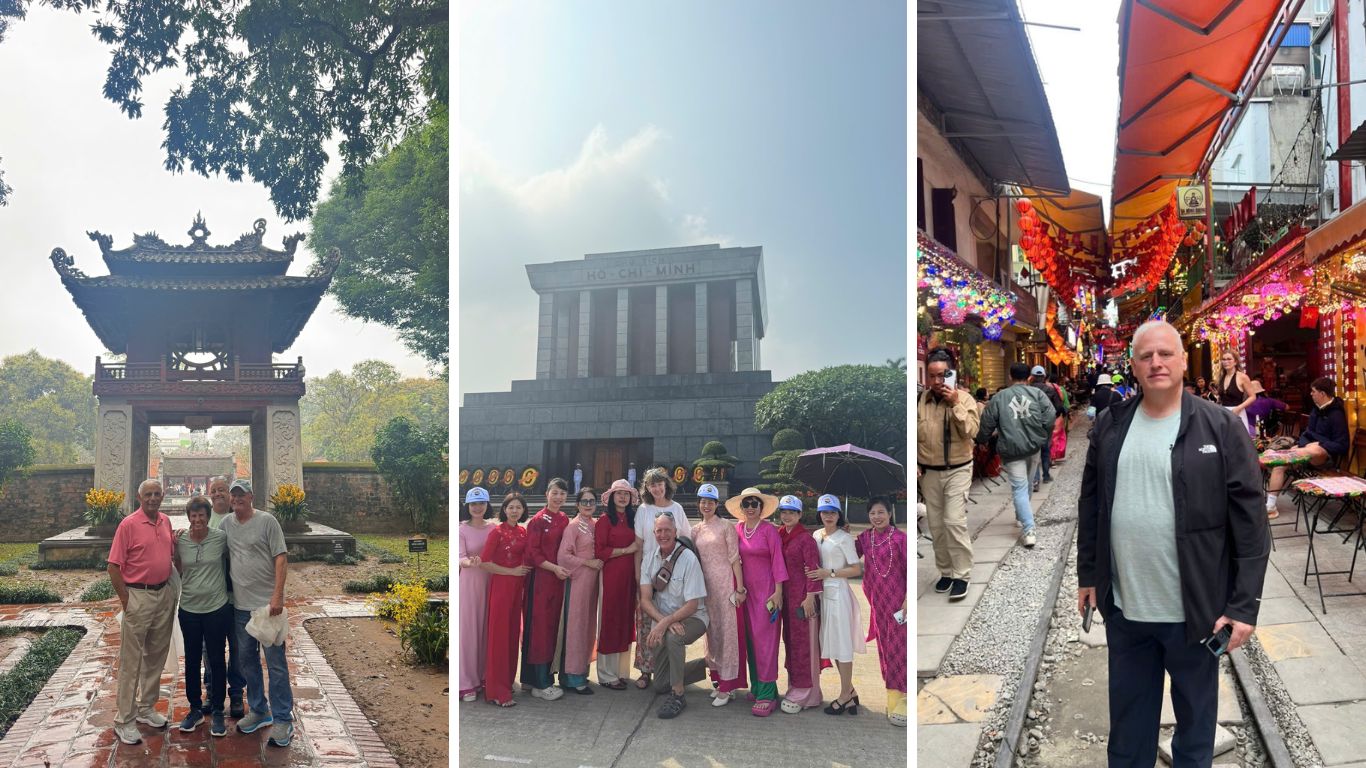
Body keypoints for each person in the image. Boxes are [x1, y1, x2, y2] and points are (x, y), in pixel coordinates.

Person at [1078, 320, 1269, 767]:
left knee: (1196, 728)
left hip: (1196, 613)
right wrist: (1089, 574)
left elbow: (1251, 521)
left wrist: (1244, 606)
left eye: (1166, 354)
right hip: (1126, 609)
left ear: (1183, 361)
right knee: (1128, 730)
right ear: (1134, 366)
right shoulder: (1111, 424)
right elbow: (1091, 505)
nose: (1156, 363)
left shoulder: (1220, 426)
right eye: (1146, 356)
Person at [220, 479, 294, 747]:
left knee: (275, 663)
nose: (237, 499)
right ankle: (259, 710)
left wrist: (278, 595)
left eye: (242, 494)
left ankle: (283, 718)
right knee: (246, 661)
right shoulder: (226, 524)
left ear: (251, 496)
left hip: (267, 605)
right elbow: (214, 550)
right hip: (241, 607)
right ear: (230, 499)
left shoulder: (267, 521)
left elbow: (281, 557)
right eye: (234, 495)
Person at [108, 479, 177, 746]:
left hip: (163, 595)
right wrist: (127, 601)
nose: (152, 498)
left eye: (157, 494)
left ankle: (147, 707)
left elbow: (169, 555)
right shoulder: (128, 525)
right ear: (139, 497)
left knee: (156, 656)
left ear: (163, 496)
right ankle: (124, 719)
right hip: (138, 595)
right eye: (148, 494)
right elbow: (114, 567)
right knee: (131, 660)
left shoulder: (166, 522)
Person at [918, 348, 979, 601]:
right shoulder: (919, 402)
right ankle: (946, 571)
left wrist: (955, 404)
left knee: (954, 522)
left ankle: (962, 574)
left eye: (942, 376)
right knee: (936, 526)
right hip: (929, 473)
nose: (936, 382)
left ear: (952, 375)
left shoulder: (964, 400)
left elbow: (971, 432)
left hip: (958, 469)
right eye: (931, 376)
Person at [639, 512, 710, 719]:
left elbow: (693, 604)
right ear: (654, 533)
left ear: (675, 532)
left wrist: (666, 623)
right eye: (659, 530)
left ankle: (678, 694)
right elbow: (645, 600)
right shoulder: (649, 558)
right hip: (665, 620)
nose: (663, 534)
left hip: (694, 617)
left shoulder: (688, 558)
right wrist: (664, 622)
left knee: (674, 637)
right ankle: (704, 664)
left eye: (667, 530)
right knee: (660, 684)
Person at [173, 496, 232, 736]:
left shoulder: (220, 538)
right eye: (193, 515)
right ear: (188, 517)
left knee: (217, 660)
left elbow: (234, 558)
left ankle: (218, 709)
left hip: (216, 608)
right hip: (189, 609)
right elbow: (177, 566)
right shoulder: (180, 540)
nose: (197, 519)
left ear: (208, 517)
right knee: (192, 660)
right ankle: (195, 708)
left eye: (201, 515)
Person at [977, 362, 1053, 548]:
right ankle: (1027, 524)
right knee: (1026, 483)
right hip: (1033, 446)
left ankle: (1026, 527)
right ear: (1029, 377)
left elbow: (987, 422)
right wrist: (1042, 434)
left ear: (1010, 376)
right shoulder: (1037, 394)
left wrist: (982, 440)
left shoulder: (999, 397)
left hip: (1011, 449)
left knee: (1020, 486)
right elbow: (1050, 415)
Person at [727, 487, 788, 716]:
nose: (751, 508)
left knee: (766, 642)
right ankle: (758, 686)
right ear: (741, 509)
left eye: (755, 504)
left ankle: (767, 693)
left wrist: (779, 591)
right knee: (750, 641)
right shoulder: (738, 530)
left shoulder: (769, 531)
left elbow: (778, 561)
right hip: (746, 593)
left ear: (762, 508)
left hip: (767, 593)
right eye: (747, 504)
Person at [805, 495, 865, 715]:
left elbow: (856, 569)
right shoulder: (816, 535)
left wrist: (828, 572)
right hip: (823, 595)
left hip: (838, 594)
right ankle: (850, 691)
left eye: (832, 512)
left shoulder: (844, 538)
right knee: (833, 644)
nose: (828, 516)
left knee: (843, 645)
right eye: (824, 511)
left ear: (839, 515)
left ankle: (844, 695)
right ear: (819, 513)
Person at [633, 467, 692, 689]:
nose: (656, 488)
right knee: (646, 621)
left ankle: (668, 669)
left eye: (659, 484)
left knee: (670, 619)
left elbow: (686, 539)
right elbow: (639, 547)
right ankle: (645, 670)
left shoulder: (676, 509)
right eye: (651, 485)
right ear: (646, 488)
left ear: (666, 484)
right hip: (649, 571)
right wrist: (637, 576)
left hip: (673, 570)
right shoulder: (644, 510)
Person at [689, 483, 747, 706]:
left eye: (711, 502)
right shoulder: (696, 530)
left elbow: (735, 559)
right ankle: (718, 679)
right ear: (698, 504)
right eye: (703, 501)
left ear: (716, 504)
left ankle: (729, 685)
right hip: (706, 590)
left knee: (727, 635)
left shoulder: (726, 527)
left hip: (726, 586)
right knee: (712, 635)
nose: (706, 505)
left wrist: (739, 589)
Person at [856, 496, 908, 727]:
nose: (876, 517)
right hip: (879, 606)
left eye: (881, 512)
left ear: (890, 513)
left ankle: (904, 699)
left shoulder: (900, 539)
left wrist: (907, 602)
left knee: (901, 651)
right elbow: (844, 551)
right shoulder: (866, 538)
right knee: (885, 652)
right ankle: (892, 698)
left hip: (899, 605)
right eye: (872, 513)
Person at [1265, 377, 1349, 518]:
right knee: (1280, 465)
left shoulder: (1336, 414)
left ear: (1322, 394)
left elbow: (1342, 445)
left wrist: (1320, 443)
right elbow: (1307, 433)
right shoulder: (1316, 410)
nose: (1311, 394)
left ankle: (1283, 454)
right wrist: (1306, 444)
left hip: (1325, 458)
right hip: (1306, 453)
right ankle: (1270, 506)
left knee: (1314, 449)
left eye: (1313, 391)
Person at [480, 492, 533, 706]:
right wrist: (511, 572)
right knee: (499, 638)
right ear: (504, 509)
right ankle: (497, 691)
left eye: (518, 507)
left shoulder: (523, 531)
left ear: (523, 511)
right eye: (511, 507)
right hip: (502, 587)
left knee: (512, 636)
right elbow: (484, 563)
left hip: (517, 589)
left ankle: (507, 681)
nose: (514, 511)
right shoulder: (497, 532)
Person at [521, 477, 571, 700]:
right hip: (541, 580)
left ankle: (534, 679)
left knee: (551, 628)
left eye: (562, 493)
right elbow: (533, 554)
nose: (558, 497)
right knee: (540, 628)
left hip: (557, 581)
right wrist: (554, 568)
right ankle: (540, 684)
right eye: (555, 492)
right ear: (546, 494)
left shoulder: (563, 519)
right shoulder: (538, 521)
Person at [776, 495, 823, 713]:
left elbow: (813, 570)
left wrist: (810, 597)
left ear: (800, 514)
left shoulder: (806, 540)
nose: (787, 516)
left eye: (792, 512)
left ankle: (807, 694)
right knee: (791, 644)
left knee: (805, 646)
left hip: (803, 601)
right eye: (784, 512)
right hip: (786, 600)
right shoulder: (780, 535)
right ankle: (794, 686)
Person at [203, 476, 244, 719]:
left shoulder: (238, 518)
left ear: (230, 494)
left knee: (239, 647)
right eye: (214, 490)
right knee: (211, 648)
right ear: (210, 495)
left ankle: (237, 692)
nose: (218, 494)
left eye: (223, 490)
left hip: (238, 594)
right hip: (212, 596)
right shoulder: (204, 520)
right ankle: (211, 690)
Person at [594, 479, 642, 689]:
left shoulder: (633, 519)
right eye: (618, 494)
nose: (622, 497)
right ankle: (606, 674)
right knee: (610, 620)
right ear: (611, 497)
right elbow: (600, 550)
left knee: (625, 620)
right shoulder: (605, 520)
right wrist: (625, 550)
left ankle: (622, 671)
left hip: (630, 576)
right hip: (611, 575)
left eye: (626, 494)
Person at [556, 487, 604, 694]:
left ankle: (582, 671)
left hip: (592, 583)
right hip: (578, 580)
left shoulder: (594, 524)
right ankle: (572, 677)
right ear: (577, 505)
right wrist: (588, 563)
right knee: (575, 626)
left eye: (591, 501)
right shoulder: (573, 526)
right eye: (584, 501)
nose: (588, 505)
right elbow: (563, 556)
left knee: (587, 625)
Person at [458, 487, 494, 702]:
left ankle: (483, 675)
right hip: (471, 582)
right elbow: (459, 556)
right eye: (473, 504)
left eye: (481, 503)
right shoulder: (461, 530)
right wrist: (468, 562)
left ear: (487, 505)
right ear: (468, 507)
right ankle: (466, 682)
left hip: (491, 581)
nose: (478, 507)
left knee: (487, 630)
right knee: (469, 633)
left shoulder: (493, 529)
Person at [1030, 365, 1066, 484]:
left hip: (1031, 424)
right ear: (1044, 376)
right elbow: (1059, 407)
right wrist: (1053, 418)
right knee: (1045, 450)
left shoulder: (1027, 390)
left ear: (1032, 377)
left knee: (1034, 452)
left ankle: (1035, 480)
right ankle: (1046, 475)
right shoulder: (1050, 390)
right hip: (1046, 425)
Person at [1214, 349, 1256, 434]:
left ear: (1235, 362)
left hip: (1238, 412)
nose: (1226, 362)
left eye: (1229, 359)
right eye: (1224, 359)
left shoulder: (1242, 377)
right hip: (1223, 413)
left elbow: (1253, 396)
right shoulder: (1221, 377)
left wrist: (1239, 408)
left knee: (1239, 441)